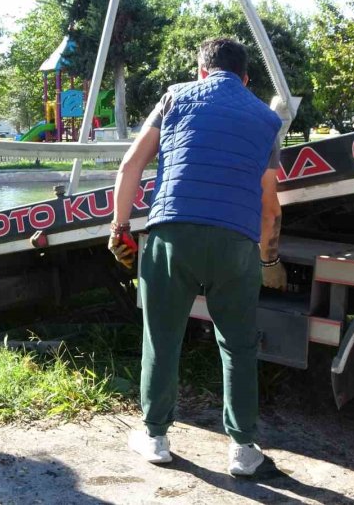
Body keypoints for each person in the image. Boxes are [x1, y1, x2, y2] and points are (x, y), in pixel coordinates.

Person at [108, 38, 288, 477]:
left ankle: (154, 438)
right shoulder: (266, 119)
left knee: (163, 337)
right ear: (246, 79)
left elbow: (131, 165)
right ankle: (244, 450)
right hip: (237, 243)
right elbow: (270, 205)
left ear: (201, 71)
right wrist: (269, 261)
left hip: (173, 233)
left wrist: (119, 228)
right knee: (238, 345)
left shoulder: (175, 96)